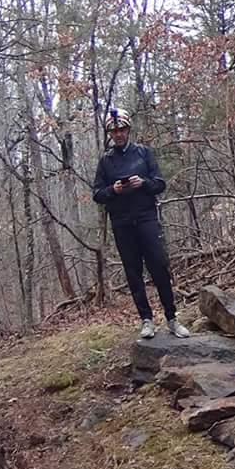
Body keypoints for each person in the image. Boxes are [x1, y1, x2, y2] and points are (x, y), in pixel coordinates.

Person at [91, 109, 189, 339]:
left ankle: (172, 318)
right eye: (114, 131)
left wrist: (142, 183)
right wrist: (113, 190)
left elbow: (159, 184)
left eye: (122, 130)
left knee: (159, 267)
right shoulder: (106, 161)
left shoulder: (144, 153)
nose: (118, 135)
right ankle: (146, 320)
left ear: (128, 130)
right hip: (122, 223)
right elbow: (97, 194)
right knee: (133, 272)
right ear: (110, 134)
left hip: (146, 218)